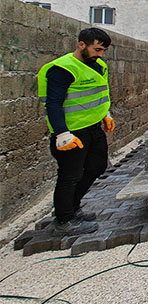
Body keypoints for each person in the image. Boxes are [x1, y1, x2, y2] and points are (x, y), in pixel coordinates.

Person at [37, 28, 115, 235]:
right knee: (69, 175)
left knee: (97, 167)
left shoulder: (99, 66)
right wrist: (62, 133)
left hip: (93, 128)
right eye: (97, 49)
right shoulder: (62, 69)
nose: (100, 54)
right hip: (72, 132)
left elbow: (100, 93)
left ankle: (73, 207)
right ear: (82, 44)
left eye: (103, 50)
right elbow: (53, 104)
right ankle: (63, 219)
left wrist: (106, 114)